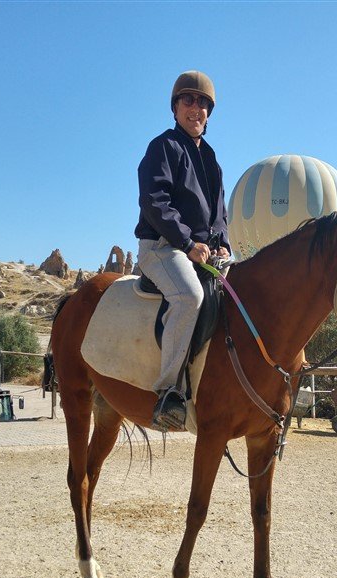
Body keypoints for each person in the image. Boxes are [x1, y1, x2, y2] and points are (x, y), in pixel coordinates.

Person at [135, 70, 231, 431]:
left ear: (209, 112)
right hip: (162, 247)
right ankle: (168, 393)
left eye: (203, 103)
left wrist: (221, 243)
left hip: (204, 252)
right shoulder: (163, 147)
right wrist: (188, 243)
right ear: (175, 107)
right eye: (188, 100)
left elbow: (219, 213)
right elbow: (154, 201)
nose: (196, 108)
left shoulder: (212, 159)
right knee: (190, 296)